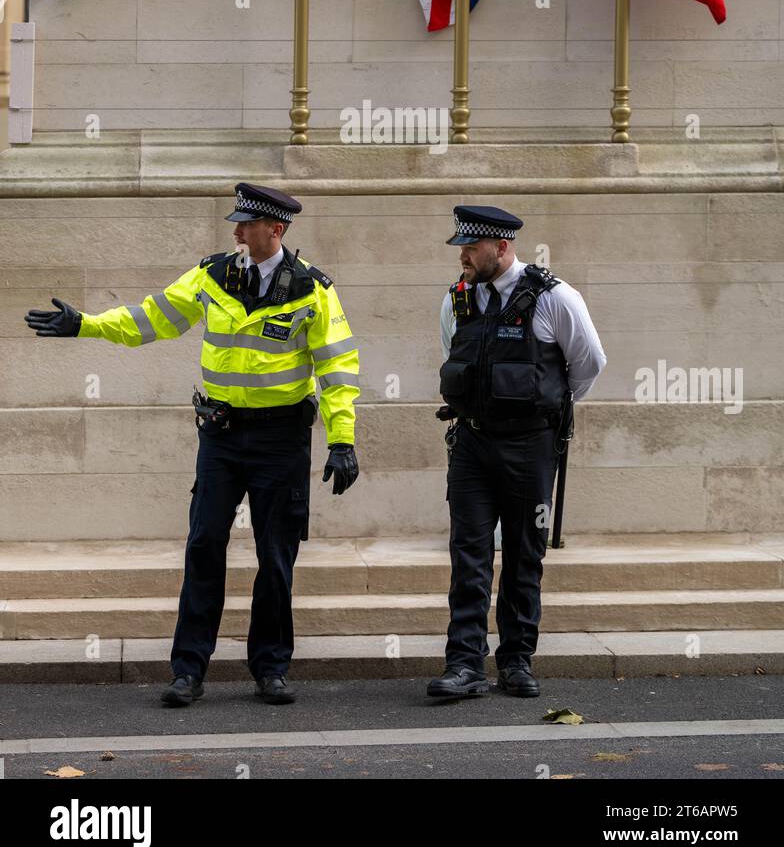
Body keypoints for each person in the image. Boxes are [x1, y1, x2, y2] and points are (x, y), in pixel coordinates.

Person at [25, 183, 360, 707]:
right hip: (222, 436)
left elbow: (338, 368)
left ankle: (271, 669)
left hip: (281, 440)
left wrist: (342, 440)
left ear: (277, 230)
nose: (236, 231)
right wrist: (86, 325)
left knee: (276, 556)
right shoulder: (213, 275)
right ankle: (189, 670)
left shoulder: (312, 290)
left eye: (246, 224)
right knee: (204, 545)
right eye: (236, 224)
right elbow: (152, 318)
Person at [427, 205, 606, 702]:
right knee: (469, 554)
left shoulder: (554, 297)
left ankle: (516, 661)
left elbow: (588, 364)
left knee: (525, 553)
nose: (462, 254)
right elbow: (452, 353)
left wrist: (546, 413)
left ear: (501, 248)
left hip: (530, 445)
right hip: (472, 443)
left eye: (471, 246)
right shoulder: (458, 298)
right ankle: (464, 665)